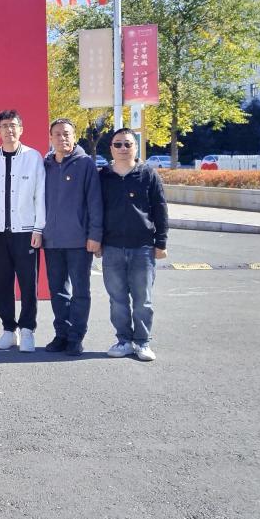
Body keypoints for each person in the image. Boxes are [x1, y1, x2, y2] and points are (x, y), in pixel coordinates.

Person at [98, 129, 168, 362]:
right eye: (118, 144)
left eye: (128, 144)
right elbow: (96, 210)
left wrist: (161, 242)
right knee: (117, 300)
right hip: (112, 247)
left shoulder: (148, 175)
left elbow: (160, 209)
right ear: (111, 148)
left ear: (136, 147)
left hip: (142, 247)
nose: (123, 149)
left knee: (142, 300)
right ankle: (124, 341)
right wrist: (97, 240)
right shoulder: (103, 176)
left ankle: (142, 342)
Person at [0, 110, 45, 353]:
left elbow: (40, 194)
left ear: (21, 129)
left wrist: (39, 228)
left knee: (28, 283)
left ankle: (27, 329)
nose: (9, 130)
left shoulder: (33, 157)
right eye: (5, 126)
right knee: (1, 282)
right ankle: (9, 330)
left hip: (26, 231)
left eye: (13, 125)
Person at [42, 118, 103, 356]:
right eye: (57, 134)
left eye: (66, 133)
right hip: (52, 240)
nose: (62, 138)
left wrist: (95, 235)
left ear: (74, 136)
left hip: (79, 241)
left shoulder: (85, 164)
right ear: (50, 138)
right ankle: (62, 334)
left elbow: (95, 202)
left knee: (80, 291)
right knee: (57, 290)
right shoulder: (46, 164)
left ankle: (76, 337)